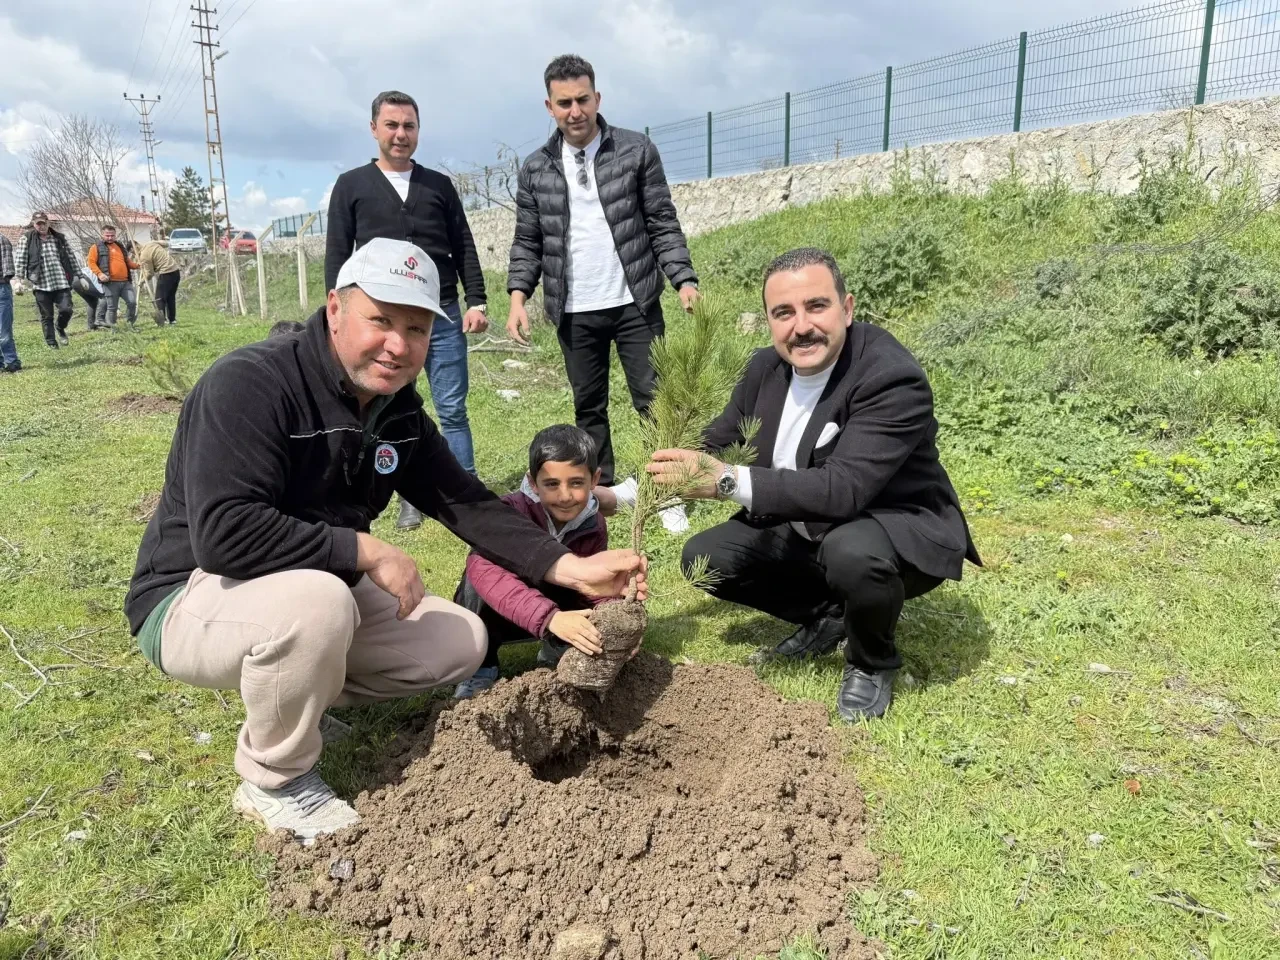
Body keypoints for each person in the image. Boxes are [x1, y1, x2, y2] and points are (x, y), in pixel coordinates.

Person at [124, 238, 645, 843]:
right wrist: (364, 549)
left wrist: (567, 568)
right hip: (192, 594)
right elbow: (223, 534)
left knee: (461, 641)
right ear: (335, 310)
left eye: (417, 328)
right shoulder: (251, 385)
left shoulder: (394, 412)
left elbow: (467, 503)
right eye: (381, 320)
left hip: (312, 593)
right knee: (316, 604)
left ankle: (303, 696)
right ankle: (276, 781)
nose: (398, 346)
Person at [647, 248, 980, 722]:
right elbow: (715, 444)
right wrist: (620, 495)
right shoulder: (764, 369)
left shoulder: (889, 376)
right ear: (768, 321)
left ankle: (870, 661)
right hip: (807, 525)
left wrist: (723, 482)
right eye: (783, 313)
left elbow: (843, 490)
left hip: (893, 524)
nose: (800, 326)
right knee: (705, 557)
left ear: (847, 307)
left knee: (852, 553)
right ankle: (832, 616)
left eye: (816, 306)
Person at [506, 54, 700, 533]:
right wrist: (517, 297)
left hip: (634, 301)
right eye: (564, 102)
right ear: (549, 106)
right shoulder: (535, 168)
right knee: (588, 405)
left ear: (598, 99)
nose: (576, 111)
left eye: (583, 99)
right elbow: (528, 239)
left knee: (652, 399)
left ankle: (665, 490)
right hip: (574, 309)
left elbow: (661, 220)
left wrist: (684, 280)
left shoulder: (636, 150)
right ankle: (602, 493)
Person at [325, 89, 489, 532]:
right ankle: (403, 496)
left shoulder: (439, 186)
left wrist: (477, 299)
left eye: (409, 126)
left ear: (419, 131)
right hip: (387, 319)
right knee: (390, 404)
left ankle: (465, 491)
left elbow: (463, 245)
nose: (401, 134)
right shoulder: (352, 186)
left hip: (443, 314)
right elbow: (338, 253)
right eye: (392, 125)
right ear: (374, 128)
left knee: (452, 405)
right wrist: (337, 314)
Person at [452, 424, 609, 699]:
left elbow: (594, 586)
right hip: (500, 612)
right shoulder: (508, 513)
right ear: (533, 482)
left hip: (555, 611)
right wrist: (550, 618)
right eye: (551, 484)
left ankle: (558, 644)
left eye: (576, 482)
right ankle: (480, 666)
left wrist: (612, 621)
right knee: (478, 580)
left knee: (580, 578)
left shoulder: (593, 524)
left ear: (594, 480)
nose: (564, 496)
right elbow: (485, 574)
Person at [12, 212, 76, 349]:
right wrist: (18, 280)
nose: (41, 226)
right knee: (47, 316)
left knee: (67, 310)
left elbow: (71, 257)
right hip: (40, 283)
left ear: (48, 223)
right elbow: (21, 260)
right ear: (34, 225)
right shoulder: (27, 239)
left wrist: (80, 276)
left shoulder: (59, 238)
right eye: (38, 224)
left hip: (61, 281)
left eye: (43, 223)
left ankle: (60, 327)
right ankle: (52, 343)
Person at [87, 224, 140, 327]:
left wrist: (137, 265)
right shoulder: (96, 247)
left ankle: (129, 325)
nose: (110, 238)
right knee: (112, 308)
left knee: (132, 302)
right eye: (107, 235)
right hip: (110, 283)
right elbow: (91, 263)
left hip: (125, 282)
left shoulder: (120, 246)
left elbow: (127, 262)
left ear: (115, 235)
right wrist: (99, 274)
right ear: (102, 235)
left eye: (112, 235)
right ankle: (114, 329)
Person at [137, 236, 182, 326]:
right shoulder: (151, 243)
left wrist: (141, 282)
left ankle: (162, 320)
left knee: (159, 298)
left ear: (133, 249)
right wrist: (156, 241)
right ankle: (172, 320)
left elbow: (150, 274)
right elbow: (166, 244)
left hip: (166, 272)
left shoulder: (143, 256)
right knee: (170, 297)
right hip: (176, 271)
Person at [0, 230, 19, 372]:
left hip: (1, 289)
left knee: (4, 329)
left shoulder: (2, 240)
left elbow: (8, 271)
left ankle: (11, 361)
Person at [71, 266, 104, 330]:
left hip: (75, 280)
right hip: (84, 279)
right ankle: (103, 322)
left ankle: (91, 327)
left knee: (92, 302)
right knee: (105, 298)